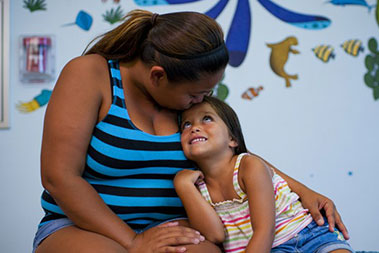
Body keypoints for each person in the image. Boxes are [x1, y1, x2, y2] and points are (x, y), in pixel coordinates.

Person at [33, 9, 348, 253]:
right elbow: (59, 177)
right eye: (195, 94)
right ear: (158, 76)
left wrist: (303, 191)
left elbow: (231, 154)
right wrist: (133, 241)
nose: (201, 101)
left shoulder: (187, 98)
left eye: (206, 93)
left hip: (177, 225)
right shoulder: (90, 74)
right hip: (83, 228)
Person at [174, 96, 354, 253]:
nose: (194, 128)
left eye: (206, 119)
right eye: (187, 124)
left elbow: (264, 230)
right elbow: (215, 235)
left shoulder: (249, 166)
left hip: (308, 235)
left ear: (232, 139)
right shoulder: (199, 187)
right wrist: (184, 186)